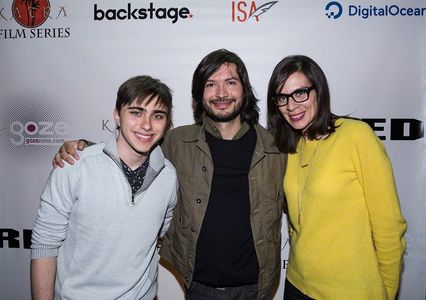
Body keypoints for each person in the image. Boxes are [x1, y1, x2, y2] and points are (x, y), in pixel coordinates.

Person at [52, 49, 287, 300]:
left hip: (257, 288)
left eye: (230, 82)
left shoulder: (277, 146)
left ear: (245, 90)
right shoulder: (177, 141)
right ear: (199, 93)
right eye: (211, 84)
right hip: (197, 285)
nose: (221, 93)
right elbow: (132, 151)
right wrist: (85, 147)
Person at [266, 55, 407, 300]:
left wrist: (387, 292)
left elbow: (389, 228)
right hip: (297, 285)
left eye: (300, 93)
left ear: (318, 90)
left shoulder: (356, 137)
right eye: (282, 98)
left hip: (352, 292)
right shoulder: (287, 147)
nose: (291, 106)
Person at [31, 75, 178, 300]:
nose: (147, 124)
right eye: (136, 112)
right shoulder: (74, 166)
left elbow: (161, 232)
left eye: (157, 115)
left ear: (166, 123)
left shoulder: (168, 176)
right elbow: (45, 244)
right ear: (117, 116)